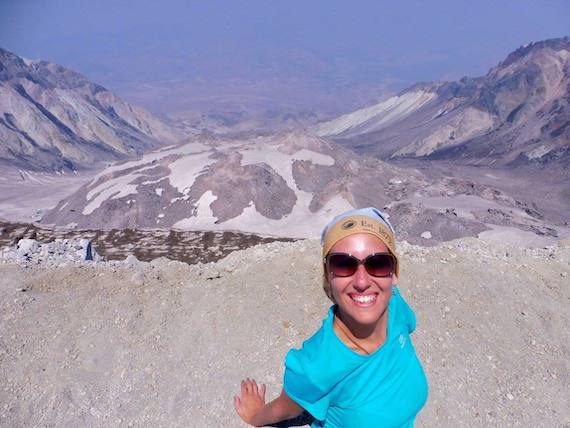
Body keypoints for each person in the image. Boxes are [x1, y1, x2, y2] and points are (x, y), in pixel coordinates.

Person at [234, 207, 428, 427]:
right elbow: (283, 410)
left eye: (378, 264)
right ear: (327, 276)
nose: (362, 282)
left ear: (394, 273)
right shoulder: (315, 366)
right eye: (343, 264)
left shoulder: (396, 306)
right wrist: (255, 416)